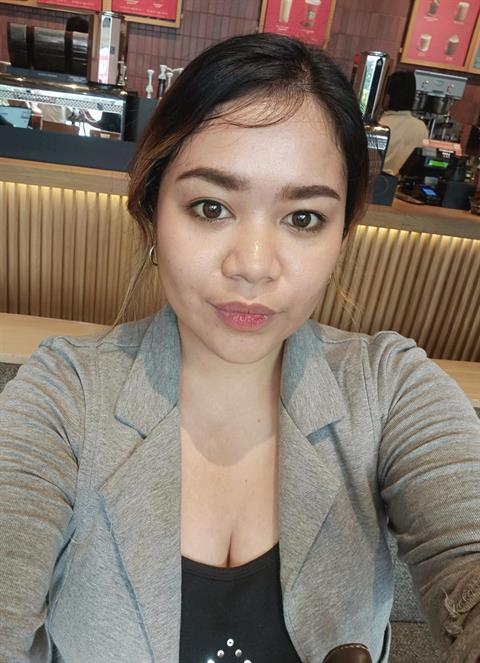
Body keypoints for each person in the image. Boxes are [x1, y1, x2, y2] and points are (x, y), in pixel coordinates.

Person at [0, 33, 479, 663]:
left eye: (303, 218)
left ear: (342, 234)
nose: (253, 266)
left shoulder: (389, 388)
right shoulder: (65, 394)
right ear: (151, 211)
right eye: (210, 207)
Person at [379, 70, 429, 176]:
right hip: (400, 184)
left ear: (388, 96)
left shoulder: (380, 124)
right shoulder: (421, 127)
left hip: (375, 182)